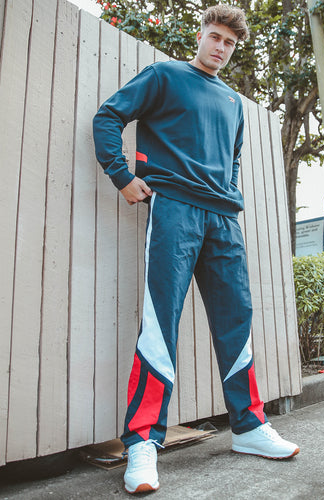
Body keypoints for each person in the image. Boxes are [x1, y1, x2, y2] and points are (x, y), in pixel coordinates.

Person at [93, 4, 299, 495]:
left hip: (223, 218)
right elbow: (108, 117)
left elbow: (232, 158)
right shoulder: (164, 76)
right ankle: (143, 441)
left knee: (236, 320)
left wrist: (229, 193)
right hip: (174, 210)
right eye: (215, 37)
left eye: (230, 42)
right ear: (201, 34)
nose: (221, 47)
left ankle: (249, 427)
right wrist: (122, 176)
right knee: (160, 321)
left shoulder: (232, 102)